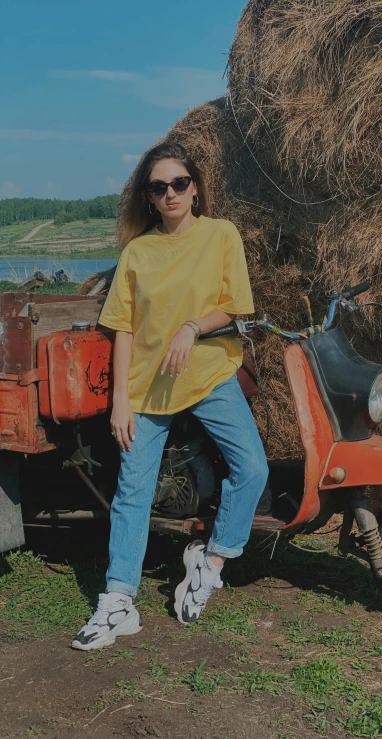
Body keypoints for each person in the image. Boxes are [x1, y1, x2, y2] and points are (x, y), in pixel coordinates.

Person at [71, 142, 269, 651]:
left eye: (179, 182)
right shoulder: (138, 252)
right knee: (132, 495)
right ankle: (118, 603)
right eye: (159, 187)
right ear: (149, 198)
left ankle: (212, 561)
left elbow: (235, 306)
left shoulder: (221, 235)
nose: (170, 193)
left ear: (196, 187)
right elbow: (122, 329)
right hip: (146, 388)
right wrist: (120, 401)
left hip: (208, 373)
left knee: (253, 468)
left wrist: (191, 326)